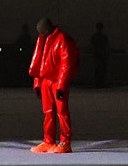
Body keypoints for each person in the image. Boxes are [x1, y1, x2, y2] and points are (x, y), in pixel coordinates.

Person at [28, 18, 79, 154]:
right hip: (46, 81)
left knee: (62, 112)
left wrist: (61, 86)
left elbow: (66, 63)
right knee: (48, 112)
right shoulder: (43, 40)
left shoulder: (61, 39)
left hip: (57, 81)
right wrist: (37, 83)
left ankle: (65, 142)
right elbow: (40, 62)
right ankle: (48, 140)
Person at [90, 22, 110, 88]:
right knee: (100, 69)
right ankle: (99, 82)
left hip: (99, 55)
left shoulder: (96, 37)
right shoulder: (103, 37)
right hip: (100, 55)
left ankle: (99, 83)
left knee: (99, 69)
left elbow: (92, 46)